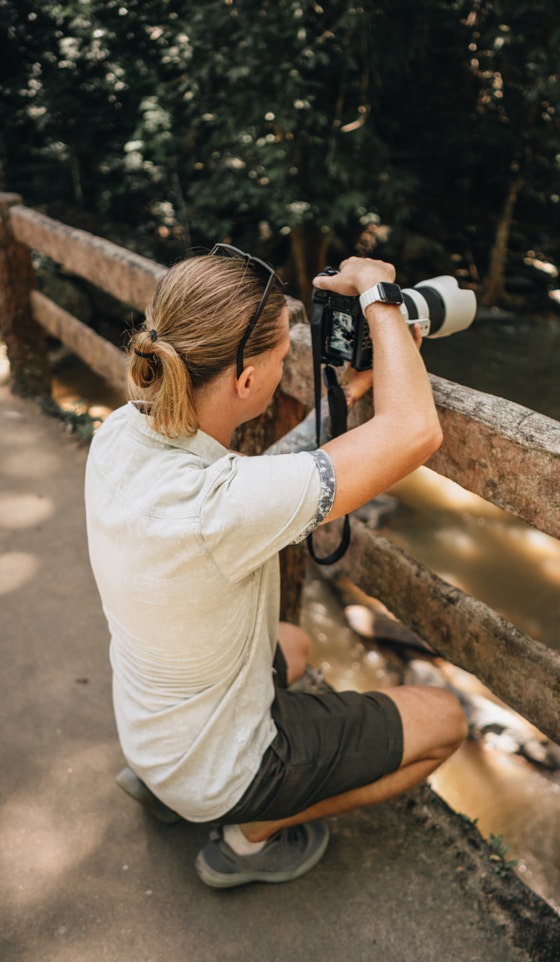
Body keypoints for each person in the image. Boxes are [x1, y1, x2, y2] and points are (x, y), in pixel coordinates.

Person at [84, 246, 467, 889]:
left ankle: (162, 783)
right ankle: (249, 833)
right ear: (245, 381)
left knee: (293, 642)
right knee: (445, 720)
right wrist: (381, 299)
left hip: (149, 735)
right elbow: (415, 430)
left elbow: (259, 488)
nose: (288, 363)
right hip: (220, 769)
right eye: (280, 359)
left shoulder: (122, 433)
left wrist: (339, 403)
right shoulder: (219, 510)